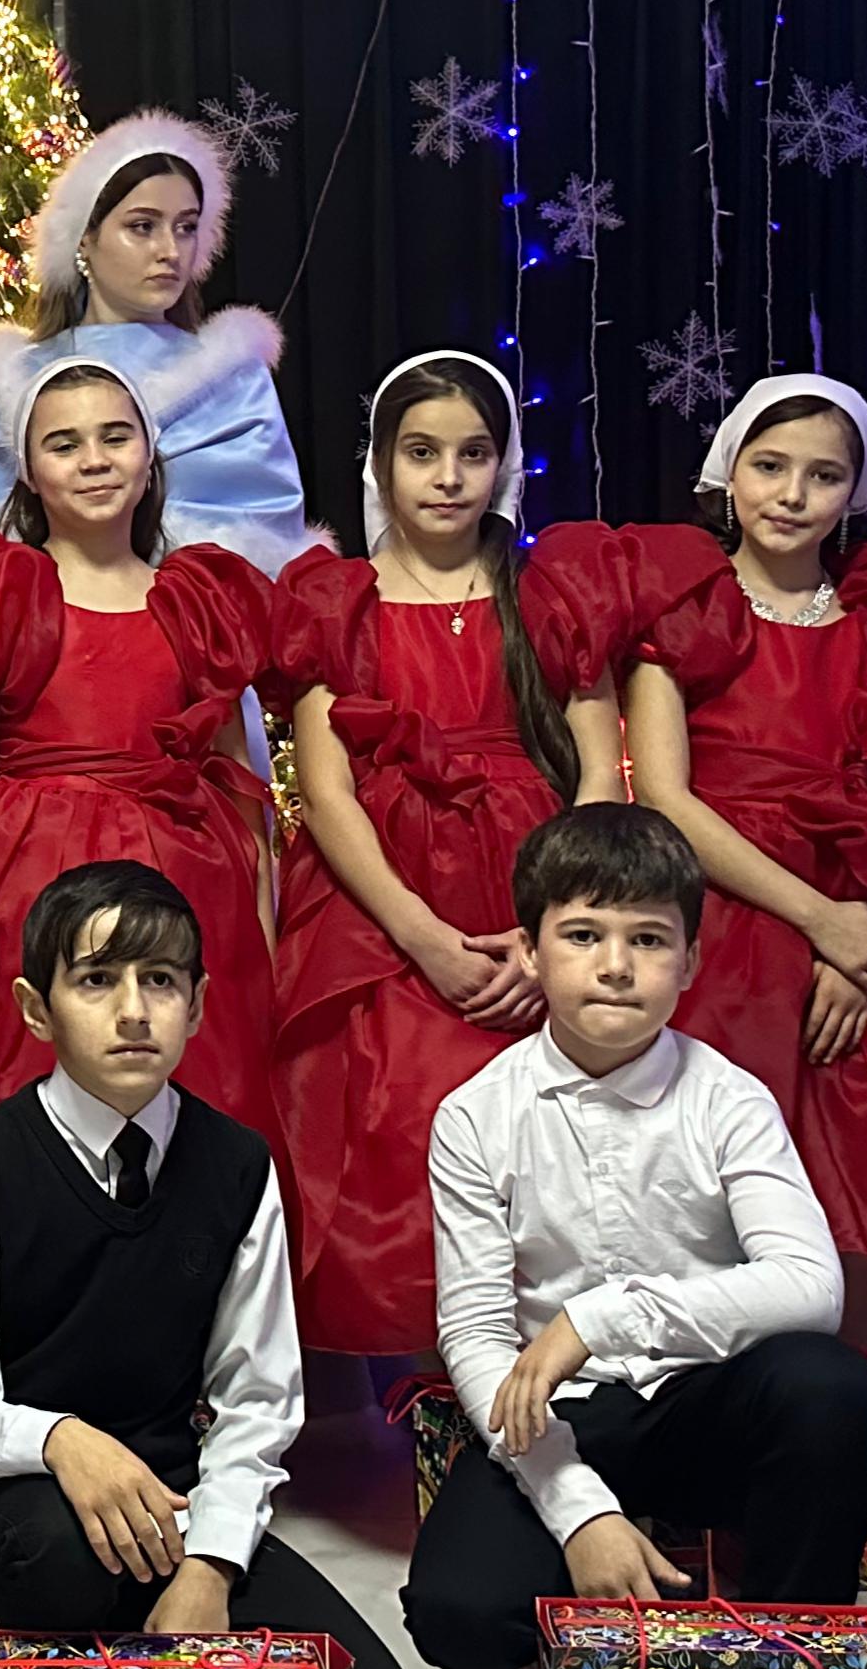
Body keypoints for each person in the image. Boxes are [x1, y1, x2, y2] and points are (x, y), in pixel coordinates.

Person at [0, 860, 415, 1669]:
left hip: (171, 1501)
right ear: (34, 1009)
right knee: (59, 1561)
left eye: (161, 981)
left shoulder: (236, 1165)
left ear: (199, 1002)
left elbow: (259, 1398)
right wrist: (62, 1439)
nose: (134, 1010)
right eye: (97, 980)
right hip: (14, 1497)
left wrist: (210, 1566)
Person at [401, 806, 867, 1669]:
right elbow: (475, 1335)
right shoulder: (474, 1115)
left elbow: (812, 1286)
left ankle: (791, 1658)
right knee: (460, 1617)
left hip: (712, 1403)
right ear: (530, 950)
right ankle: (611, 1568)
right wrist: (578, 1510)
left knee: (830, 1383)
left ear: (691, 961)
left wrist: (601, 1318)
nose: (616, 965)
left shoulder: (729, 1097)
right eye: (582, 934)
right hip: (564, 1415)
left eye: (650, 939)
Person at [271, 350, 633, 1360]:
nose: (447, 477)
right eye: (422, 452)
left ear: (502, 465)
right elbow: (327, 792)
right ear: (380, 462)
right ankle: (436, 1391)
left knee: (548, 1143)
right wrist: (424, 937)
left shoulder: (549, 594)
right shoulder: (334, 600)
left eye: (473, 454)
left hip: (535, 885)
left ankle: (547, 1378)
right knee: (400, 1117)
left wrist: (551, 931)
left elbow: (600, 776)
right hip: (385, 902)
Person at [619, 376, 867, 1352]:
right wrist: (819, 921)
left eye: (823, 475)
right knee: (727, 1169)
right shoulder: (682, 607)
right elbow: (667, 797)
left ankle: (862, 1390)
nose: (791, 493)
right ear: (729, 473)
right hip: (729, 919)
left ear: (854, 491)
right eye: (770, 466)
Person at [0, 359, 278, 1153]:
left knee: (191, 1120)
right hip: (28, 892)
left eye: (114, 437)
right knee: (25, 1114)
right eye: (64, 444)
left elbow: (242, 796)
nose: (94, 460)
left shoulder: (199, 602)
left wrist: (256, 947)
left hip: (181, 889)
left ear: (149, 454)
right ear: (29, 473)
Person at [0, 111, 312, 570]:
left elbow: (268, 541)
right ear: (84, 239)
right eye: (142, 226)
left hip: (203, 613)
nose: (170, 251)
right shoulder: (10, 383)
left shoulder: (233, 380)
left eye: (186, 227)